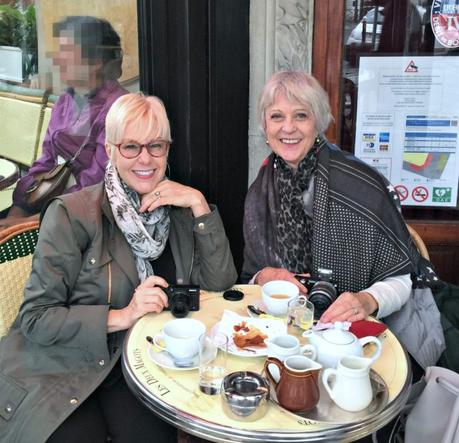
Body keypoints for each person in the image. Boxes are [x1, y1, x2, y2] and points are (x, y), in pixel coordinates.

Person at [0, 92, 237, 443]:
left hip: (137, 364)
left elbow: (220, 281)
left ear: (167, 150)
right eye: (131, 147)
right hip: (63, 364)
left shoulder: (178, 207)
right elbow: (37, 317)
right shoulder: (72, 214)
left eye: (156, 146)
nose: (146, 159)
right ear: (110, 150)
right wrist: (124, 315)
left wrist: (199, 205)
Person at [241, 71, 444, 366]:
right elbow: (253, 273)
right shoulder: (262, 186)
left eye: (301, 115)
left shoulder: (359, 182)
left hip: (361, 343)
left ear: (318, 122)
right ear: (265, 125)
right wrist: (266, 276)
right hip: (287, 339)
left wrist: (367, 300)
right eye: (276, 117)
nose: (288, 127)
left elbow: (401, 277)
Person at [0, 16, 128, 230]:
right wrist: (18, 208)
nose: (57, 59)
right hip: (46, 206)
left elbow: (94, 187)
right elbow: (44, 162)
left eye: (66, 51)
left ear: (96, 62)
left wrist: (21, 225)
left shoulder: (117, 110)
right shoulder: (66, 100)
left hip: (82, 220)